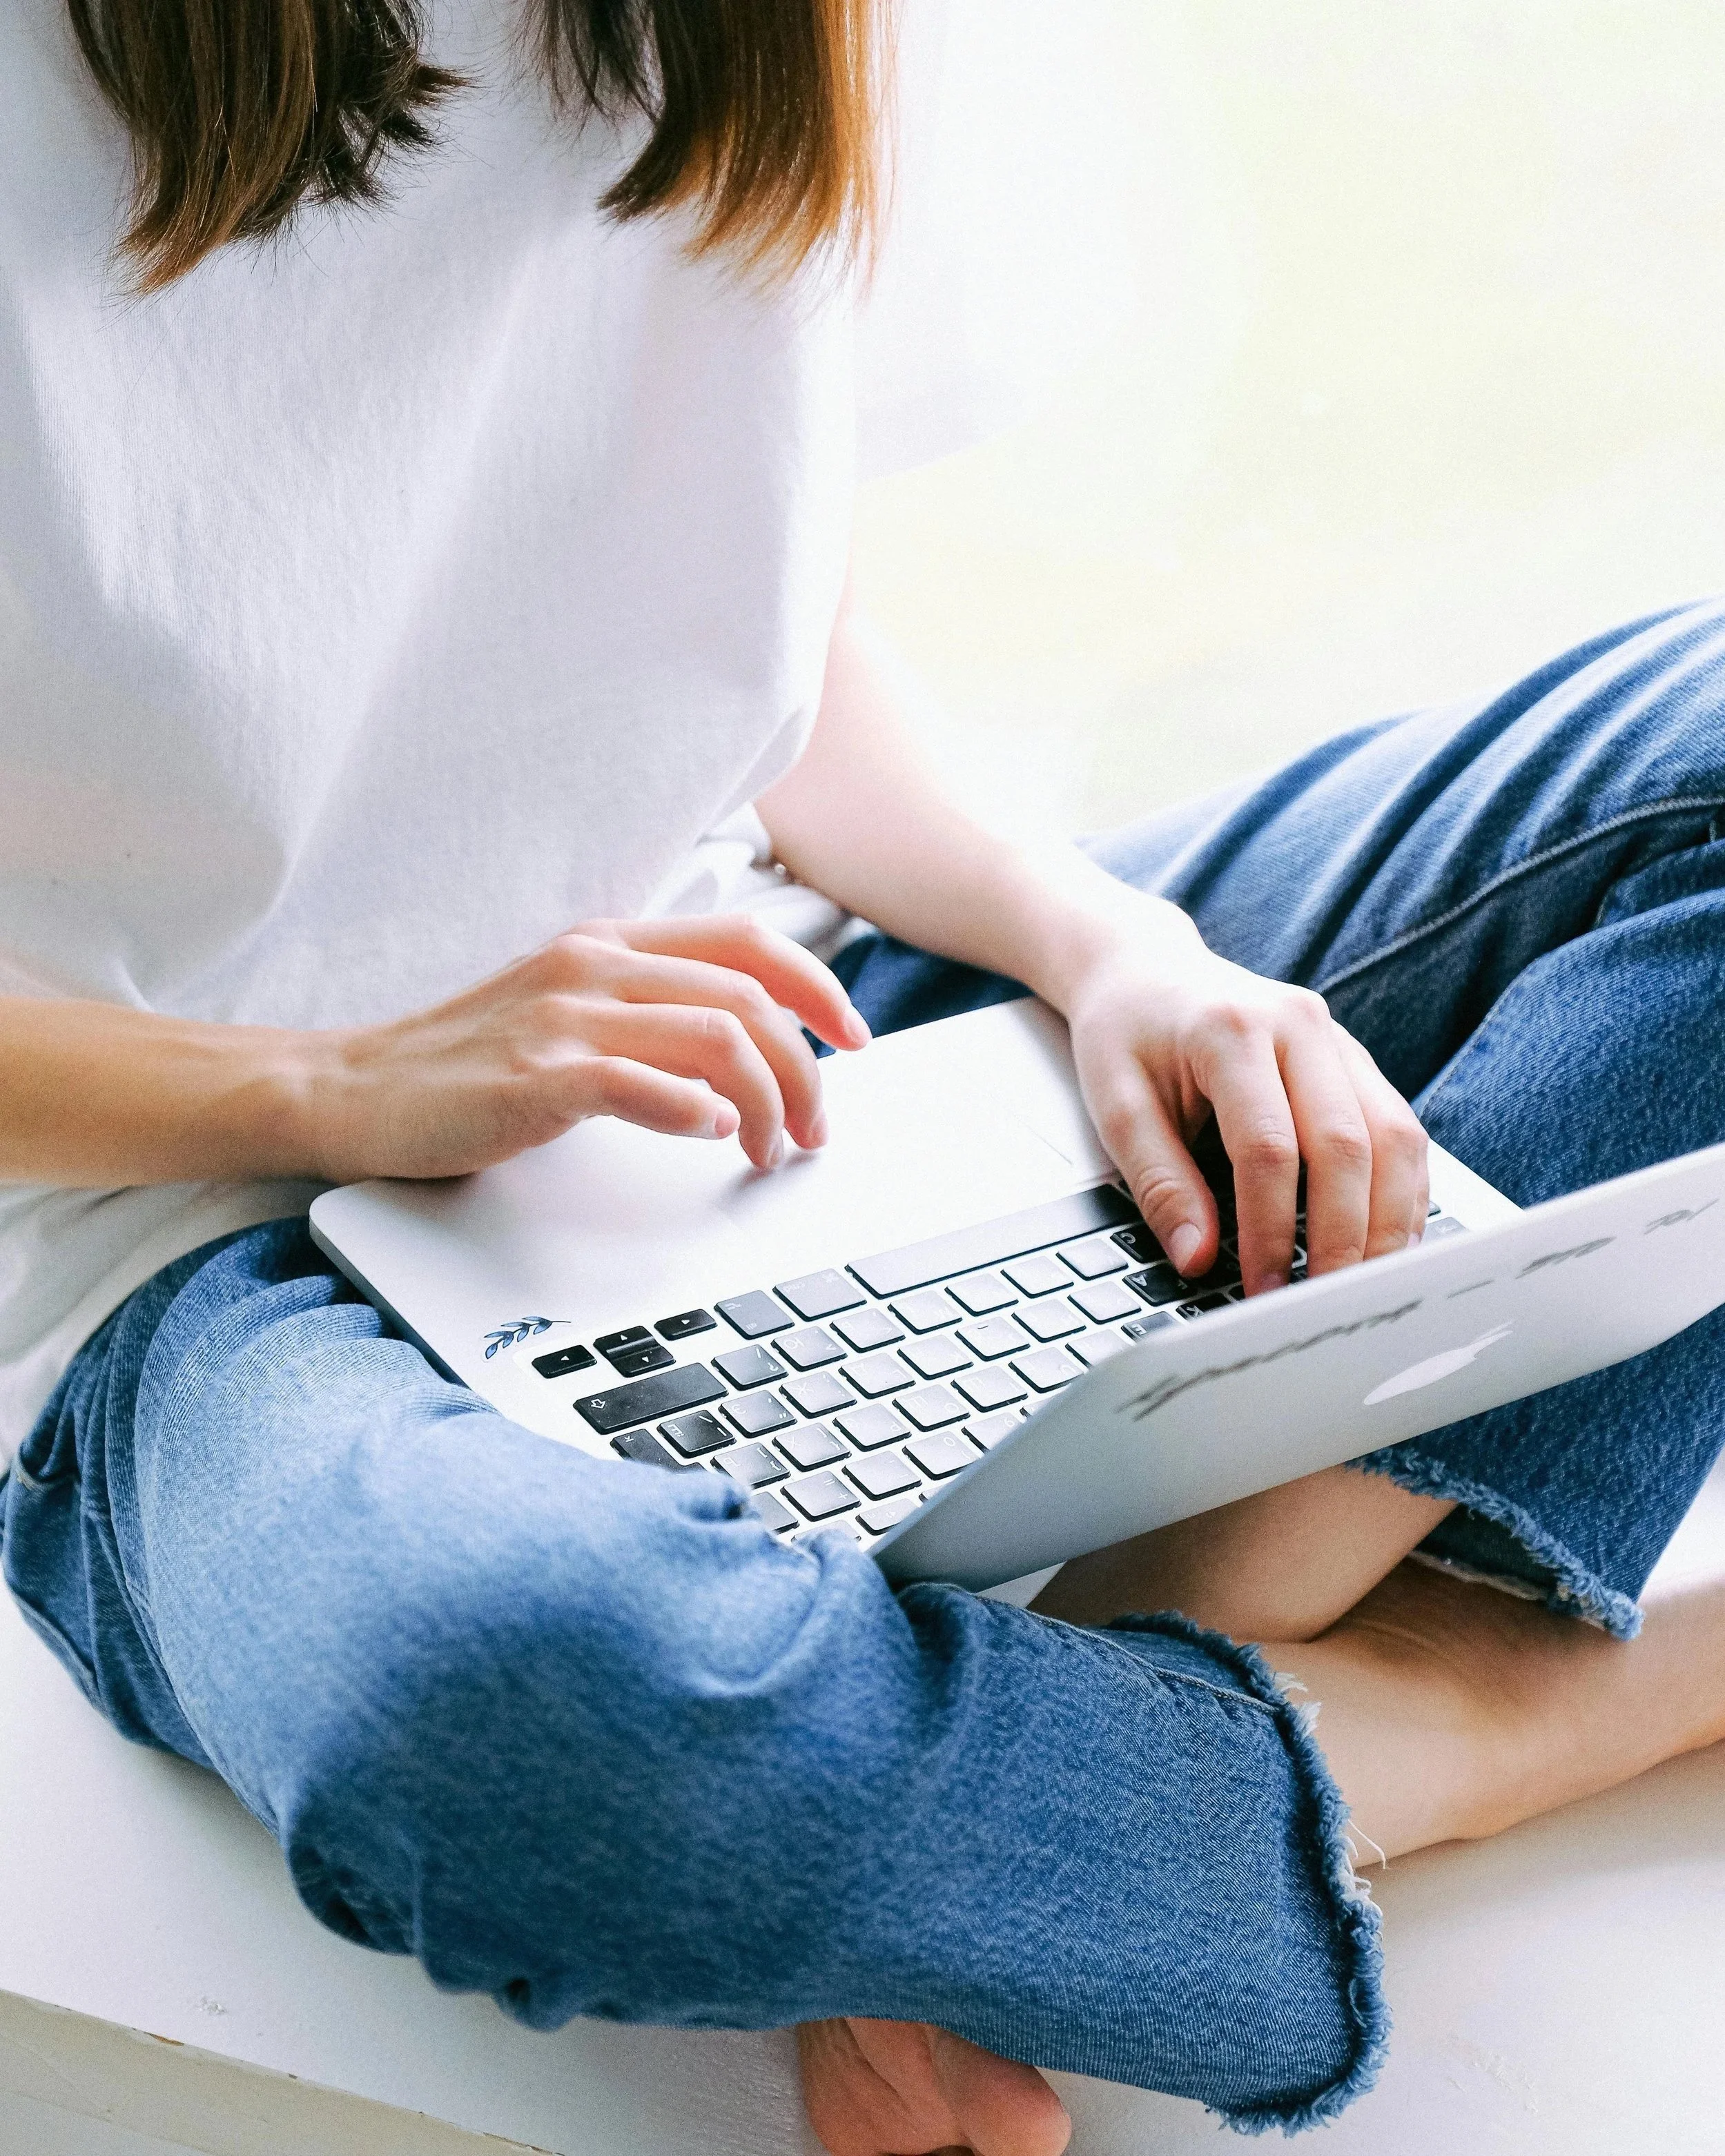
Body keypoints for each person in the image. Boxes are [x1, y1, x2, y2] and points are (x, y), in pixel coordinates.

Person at [1, 1, 1722, 2150]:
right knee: (530, 1730)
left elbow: (739, 595)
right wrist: (330, 1081)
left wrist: (1111, 951)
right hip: (199, 1253)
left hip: (801, 1007)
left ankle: (1062, 1763)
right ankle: (1514, 1709)